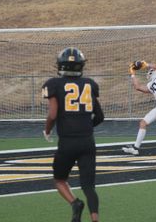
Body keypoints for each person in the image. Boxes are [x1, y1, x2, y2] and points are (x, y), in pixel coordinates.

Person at [42, 47, 103, 222]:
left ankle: (75, 203)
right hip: (87, 141)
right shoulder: (90, 84)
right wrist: (85, 127)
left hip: (67, 143)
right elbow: (100, 116)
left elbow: (53, 114)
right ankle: (95, 219)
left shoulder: (53, 84)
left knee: (60, 180)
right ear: (80, 65)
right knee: (89, 187)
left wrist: (47, 131)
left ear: (60, 65)